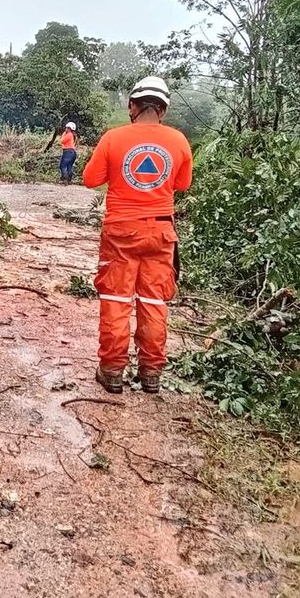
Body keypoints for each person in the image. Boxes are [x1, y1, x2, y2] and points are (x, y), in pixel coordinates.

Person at [82, 77, 192, 394]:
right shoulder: (179, 141)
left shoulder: (114, 138)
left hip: (121, 231)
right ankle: (151, 375)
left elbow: (91, 179)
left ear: (132, 105)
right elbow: (182, 184)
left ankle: (113, 371)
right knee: (153, 302)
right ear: (163, 109)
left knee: (117, 300)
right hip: (161, 231)